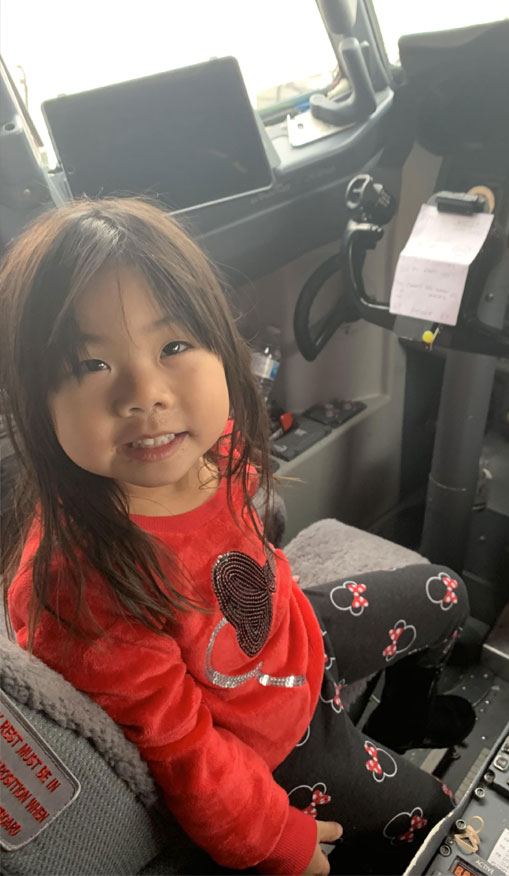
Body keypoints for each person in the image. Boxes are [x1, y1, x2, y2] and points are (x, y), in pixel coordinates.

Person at [0, 199, 475, 875]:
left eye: (172, 346)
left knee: (448, 592)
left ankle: (403, 720)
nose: (145, 392)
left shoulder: (208, 443)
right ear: (37, 403)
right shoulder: (86, 588)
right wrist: (282, 842)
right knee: (435, 811)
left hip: (297, 637)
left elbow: (251, 549)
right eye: (89, 365)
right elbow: (186, 751)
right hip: (272, 742)